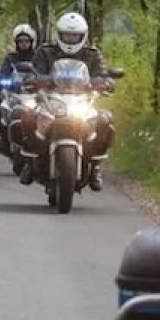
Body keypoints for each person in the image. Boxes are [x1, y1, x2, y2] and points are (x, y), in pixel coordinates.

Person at [19, 11, 115, 191]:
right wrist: (34, 79)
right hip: (51, 99)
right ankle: (29, 162)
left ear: (83, 36)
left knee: (105, 119)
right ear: (60, 35)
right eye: (67, 35)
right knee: (28, 115)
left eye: (75, 36)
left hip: (81, 100)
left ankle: (95, 167)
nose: (70, 39)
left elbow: (102, 74)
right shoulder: (46, 51)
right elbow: (34, 71)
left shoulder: (92, 54)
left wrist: (106, 83)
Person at [0, 24, 37, 151]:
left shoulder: (37, 57)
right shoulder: (11, 58)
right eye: (21, 41)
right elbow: (4, 72)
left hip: (33, 93)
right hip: (14, 92)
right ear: (16, 42)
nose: (24, 44)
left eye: (26, 41)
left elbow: (44, 72)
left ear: (32, 42)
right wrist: (1, 81)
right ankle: (0, 137)